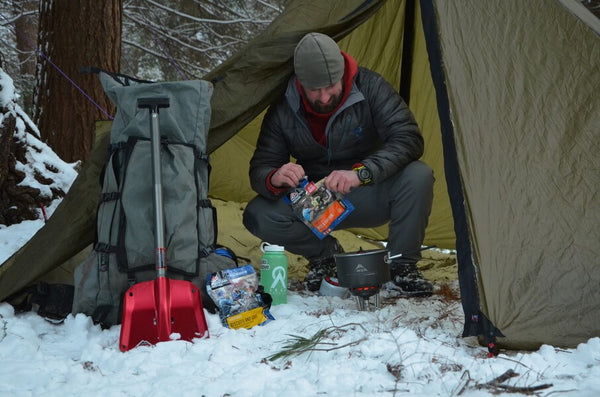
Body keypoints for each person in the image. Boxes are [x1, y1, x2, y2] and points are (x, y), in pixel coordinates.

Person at [242, 32, 434, 296]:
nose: (323, 98)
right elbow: (261, 167)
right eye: (314, 90)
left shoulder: (371, 87)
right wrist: (275, 176)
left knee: (418, 175)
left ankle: (402, 266)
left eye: (330, 86)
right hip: (315, 202)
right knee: (259, 214)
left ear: (342, 73)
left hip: (367, 190)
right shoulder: (283, 107)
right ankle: (326, 258)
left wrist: (362, 173)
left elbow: (409, 139)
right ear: (300, 83)